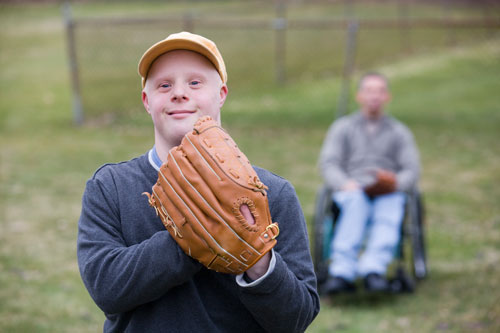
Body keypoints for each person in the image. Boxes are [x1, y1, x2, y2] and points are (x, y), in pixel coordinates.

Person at [77, 31, 319, 332]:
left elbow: (296, 319)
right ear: (146, 101)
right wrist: (194, 233)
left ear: (221, 94)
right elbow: (107, 289)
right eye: (164, 85)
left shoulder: (269, 193)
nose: (179, 93)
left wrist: (256, 255)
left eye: (195, 82)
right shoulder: (111, 186)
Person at [319, 72, 420, 293]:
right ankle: (342, 270)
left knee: (391, 205)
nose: (374, 96)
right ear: (360, 96)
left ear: (387, 97)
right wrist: (344, 183)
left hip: (387, 190)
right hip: (352, 188)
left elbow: (411, 171)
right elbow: (329, 164)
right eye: (369, 91)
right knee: (355, 203)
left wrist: (395, 183)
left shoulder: (399, 132)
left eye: (380, 91)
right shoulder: (343, 128)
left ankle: (373, 269)